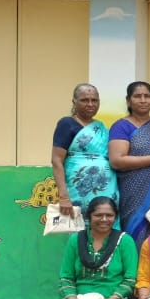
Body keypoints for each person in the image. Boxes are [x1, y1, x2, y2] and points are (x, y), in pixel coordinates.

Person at [108, 81, 150, 244]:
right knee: (134, 234)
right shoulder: (121, 126)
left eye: (147, 96)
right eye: (137, 96)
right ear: (128, 100)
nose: (143, 100)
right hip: (132, 194)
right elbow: (117, 160)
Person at [51, 83, 118, 219]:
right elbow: (57, 160)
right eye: (84, 100)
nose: (90, 104)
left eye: (94, 100)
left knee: (106, 222)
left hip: (107, 187)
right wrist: (63, 195)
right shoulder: (66, 123)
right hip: (78, 187)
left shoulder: (102, 128)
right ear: (74, 102)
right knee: (80, 226)